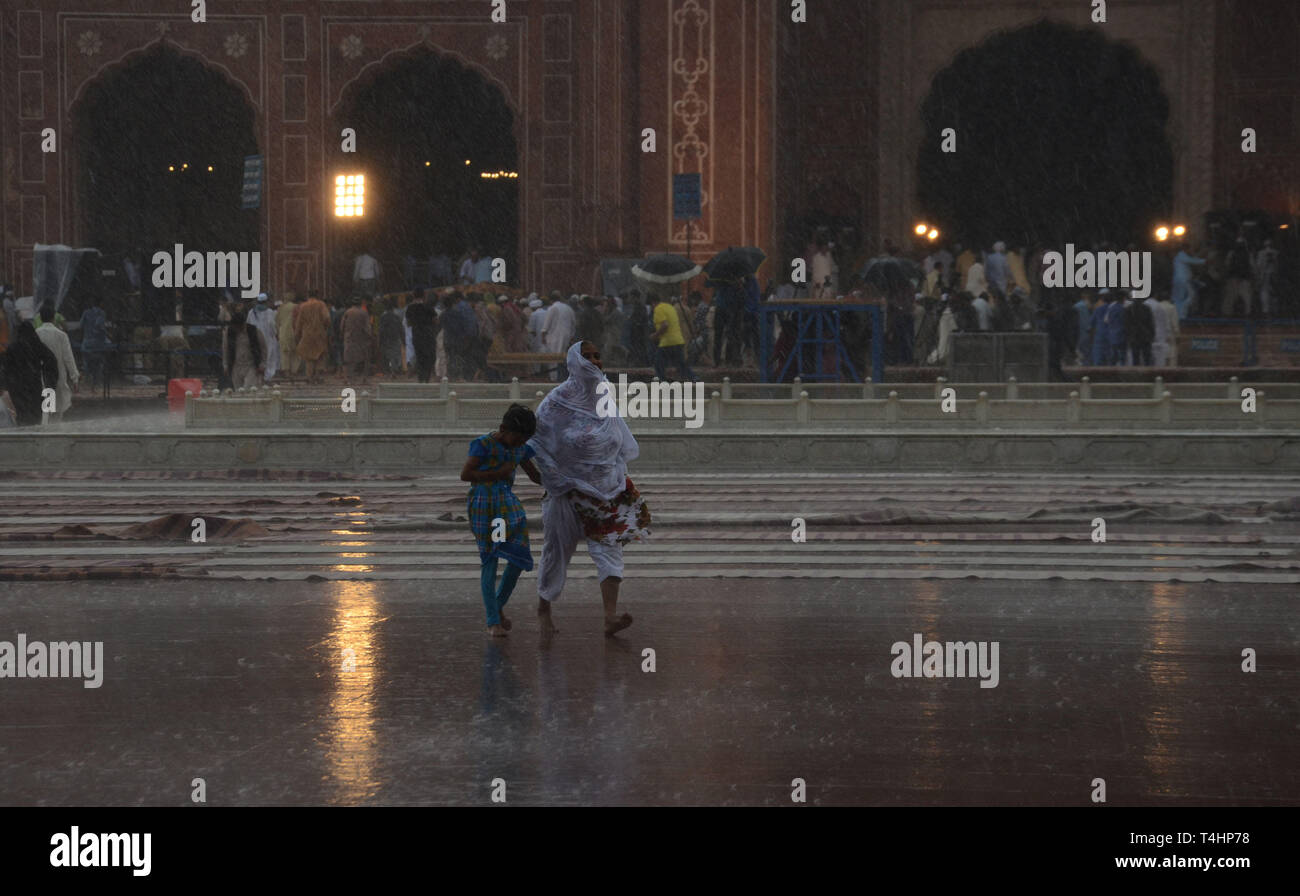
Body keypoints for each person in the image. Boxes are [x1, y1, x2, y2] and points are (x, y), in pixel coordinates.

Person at [529, 342, 650, 637]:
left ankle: (610, 617)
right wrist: (551, 479)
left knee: (609, 552)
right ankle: (544, 610)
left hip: (607, 490)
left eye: (598, 356)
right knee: (556, 554)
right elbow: (535, 445)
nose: (595, 362)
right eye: (588, 357)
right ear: (573, 362)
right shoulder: (555, 403)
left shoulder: (604, 396)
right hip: (567, 494)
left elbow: (617, 438)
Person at [460, 404, 543, 638]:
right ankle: (493, 621)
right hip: (483, 506)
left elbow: (535, 476)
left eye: (524, 439)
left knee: (518, 557)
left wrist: (561, 486)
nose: (519, 443)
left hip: (508, 505)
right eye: (517, 437)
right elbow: (465, 475)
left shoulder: (520, 449)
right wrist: (497, 474)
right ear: (502, 428)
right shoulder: (483, 445)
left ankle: (496, 607)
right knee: (490, 560)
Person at [1, 321, 58, 425]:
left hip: (17, 388)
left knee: (21, 414)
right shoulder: (37, 345)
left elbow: (5, 369)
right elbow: (51, 362)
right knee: (35, 413)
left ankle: (23, 436)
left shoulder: (13, 348)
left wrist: (6, 385)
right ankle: (34, 436)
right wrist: (49, 380)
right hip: (34, 386)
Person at [36, 307, 79, 421]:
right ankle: (56, 433)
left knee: (47, 409)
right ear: (53, 317)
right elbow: (68, 358)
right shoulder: (61, 335)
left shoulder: (36, 334)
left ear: (40, 317)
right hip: (59, 376)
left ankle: (46, 433)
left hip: (43, 376)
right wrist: (74, 377)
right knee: (58, 410)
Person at [651, 293, 695, 381]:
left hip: (667, 342)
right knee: (681, 364)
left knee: (658, 363)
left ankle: (662, 380)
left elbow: (665, 325)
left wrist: (655, 335)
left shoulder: (658, 309)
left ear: (652, 303)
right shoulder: (669, 307)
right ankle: (693, 378)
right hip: (678, 340)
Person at [294, 289, 331, 384]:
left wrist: (297, 335)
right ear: (317, 295)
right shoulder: (321, 305)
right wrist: (325, 327)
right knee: (320, 356)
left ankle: (310, 378)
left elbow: (299, 322)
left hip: (307, 334)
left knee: (309, 358)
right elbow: (327, 318)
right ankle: (318, 376)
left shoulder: (303, 306)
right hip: (319, 334)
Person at [224, 306, 264, 389]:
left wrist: (262, 363)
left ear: (243, 324)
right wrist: (225, 365)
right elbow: (225, 349)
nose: (236, 329)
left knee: (248, 389)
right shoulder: (229, 333)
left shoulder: (254, 331)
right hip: (236, 365)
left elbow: (263, 348)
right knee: (238, 392)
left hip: (251, 365)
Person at [79, 298, 113, 391]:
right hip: (98, 344)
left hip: (86, 344)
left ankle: (87, 378)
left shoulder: (86, 312)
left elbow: (80, 325)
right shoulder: (101, 313)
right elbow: (99, 326)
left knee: (86, 363)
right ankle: (97, 382)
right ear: (101, 303)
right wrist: (107, 333)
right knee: (100, 362)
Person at [405, 289, 438, 383]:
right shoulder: (428, 307)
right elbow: (435, 320)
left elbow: (408, 323)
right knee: (428, 357)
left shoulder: (410, 308)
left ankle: (421, 378)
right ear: (424, 296)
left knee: (420, 357)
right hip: (428, 335)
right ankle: (427, 378)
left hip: (416, 335)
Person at [541, 290, 575, 380]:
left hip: (554, 336)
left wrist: (543, 335)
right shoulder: (568, 308)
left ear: (550, 299)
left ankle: (554, 378)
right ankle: (562, 376)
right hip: (566, 336)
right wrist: (571, 336)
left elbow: (546, 324)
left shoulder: (553, 308)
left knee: (553, 358)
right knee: (562, 357)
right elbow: (573, 323)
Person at [246, 293, 279, 382]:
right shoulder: (269, 312)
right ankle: (267, 376)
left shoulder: (251, 312)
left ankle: (259, 375)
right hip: (267, 337)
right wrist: (275, 334)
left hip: (255, 336)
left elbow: (248, 325)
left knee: (258, 355)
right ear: (266, 301)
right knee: (268, 356)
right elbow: (272, 324)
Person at [342, 297, 372, 382]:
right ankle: (364, 378)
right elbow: (367, 327)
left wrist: (342, 335)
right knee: (364, 358)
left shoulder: (347, 312)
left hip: (349, 338)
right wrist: (370, 336)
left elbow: (342, 326)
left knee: (349, 359)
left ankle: (349, 377)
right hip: (361, 338)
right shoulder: (364, 312)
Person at [378, 300, 405, 377]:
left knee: (386, 355)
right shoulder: (396, 317)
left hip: (386, 338)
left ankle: (388, 371)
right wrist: (403, 340)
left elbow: (381, 329)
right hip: (395, 338)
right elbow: (401, 329)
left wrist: (380, 340)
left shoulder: (383, 317)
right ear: (393, 309)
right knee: (394, 354)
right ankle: (393, 370)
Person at [275, 292, 299, 377]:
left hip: (283, 332)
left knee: (285, 353)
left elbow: (277, 322)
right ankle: (294, 371)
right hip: (294, 331)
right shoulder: (296, 307)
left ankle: (286, 371)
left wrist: (277, 333)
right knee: (295, 352)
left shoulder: (280, 308)